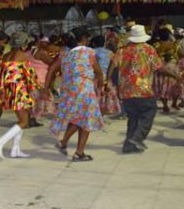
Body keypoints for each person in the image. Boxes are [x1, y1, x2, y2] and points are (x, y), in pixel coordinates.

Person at [46, 28, 104, 161]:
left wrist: (46, 88)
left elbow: (51, 70)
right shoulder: (88, 52)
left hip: (68, 91)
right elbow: (98, 71)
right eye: (87, 38)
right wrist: (101, 84)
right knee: (86, 120)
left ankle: (63, 142)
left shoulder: (64, 54)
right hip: (84, 90)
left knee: (78, 117)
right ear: (83, 38)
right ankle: (79, 152)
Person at [107, 25, 162, 153]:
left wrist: (107, 81)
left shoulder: (121, 50)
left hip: (126, 90)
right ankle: (138, 137)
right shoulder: (149, 49)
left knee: (133, 118)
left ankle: (128, 145)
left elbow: (112, 65)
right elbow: (158, 67)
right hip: (143, 89)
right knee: (149, 112)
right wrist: (175, 75)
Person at [0, 32, 39, 159]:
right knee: (24, 121)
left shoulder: (6, 55)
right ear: (24, 44)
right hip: (19, 90)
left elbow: (0, 75)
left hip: (8, 89)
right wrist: (35, 89)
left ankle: (15, 149)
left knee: (21, 119)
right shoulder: (23, 56)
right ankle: (0, 142)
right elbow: (29, 75)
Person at [27, 37, 55, 127]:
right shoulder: (40, 52)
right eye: (43, 43)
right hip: (40, 79)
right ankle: (31, 119)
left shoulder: (28, 52)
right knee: (38, 101)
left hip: (31, 78)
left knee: (32, 100)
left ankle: (31, 119)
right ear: (38, 43)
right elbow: (52, 63)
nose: (45, 45)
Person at [91, 35, 121, 116]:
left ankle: (95, 116)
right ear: (104, 43)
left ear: (93, 43)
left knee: (94, 98)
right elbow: (116, 65)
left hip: (93, 78)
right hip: (106, 78)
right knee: (103, 99)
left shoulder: (90, 51)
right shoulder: (110, 53)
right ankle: (101, 117)